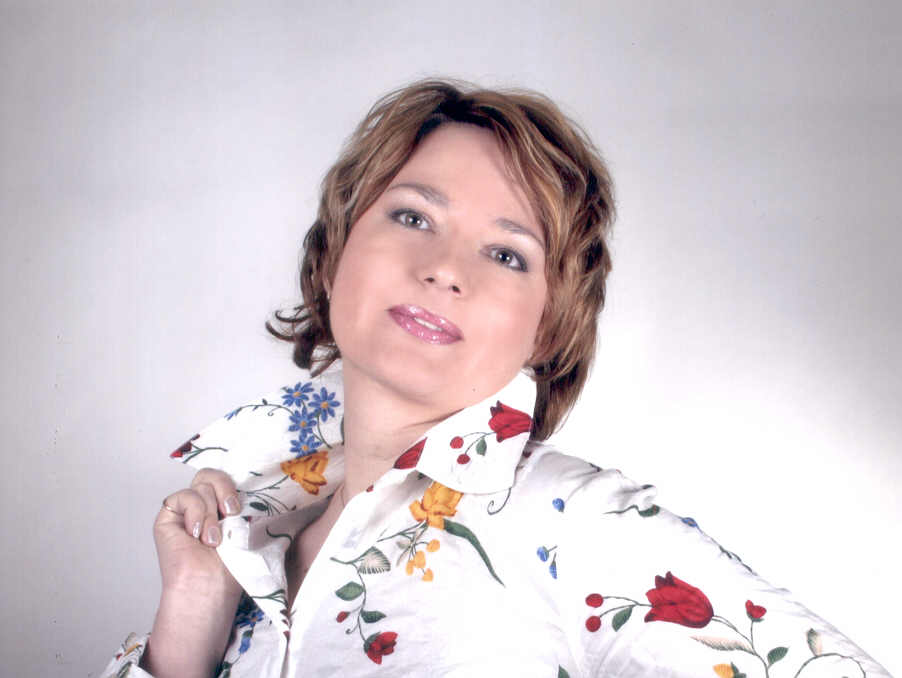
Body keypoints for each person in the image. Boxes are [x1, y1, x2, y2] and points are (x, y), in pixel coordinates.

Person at [103, 80, 890, 678]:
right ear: (338, 249)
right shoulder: (249, 536)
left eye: (508, 253)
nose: (446, 269)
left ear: (547, 326)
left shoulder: (576, 524)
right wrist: (190, 625)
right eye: (414, 216)